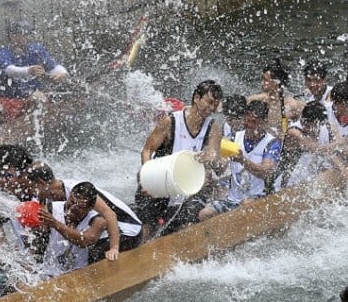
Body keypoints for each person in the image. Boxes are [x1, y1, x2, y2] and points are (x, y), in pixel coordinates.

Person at [136, 80, 224, 236]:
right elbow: (147, 150)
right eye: (209, 102)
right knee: (147, 229)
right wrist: (147, 178)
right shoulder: (170, 121)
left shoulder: (213, 127)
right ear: (197, 98)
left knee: (187, 227)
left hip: (189, 188)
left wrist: (209, 158)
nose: (211, 108)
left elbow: (214, 155)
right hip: (161, 181)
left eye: (215, 105)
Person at [38, 180, 142, 275]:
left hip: (129, 231)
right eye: (72, 202)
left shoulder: (99, 220)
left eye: (80, 207)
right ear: (69, 196)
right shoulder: (52, 208)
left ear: (90, 208)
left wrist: (114, 248)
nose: (73, 208)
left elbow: (84, 241)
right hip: (49, 269)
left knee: (97, 254)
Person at [199, 100, 280, 220]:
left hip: (259, 198)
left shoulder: (272, 143)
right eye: (247, 121)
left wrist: (242, 160)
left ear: (263, 122)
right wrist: (209, 162)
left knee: (245, 205)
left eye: (254, 122)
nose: (249, 125)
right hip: (233, 200)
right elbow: (220, 168)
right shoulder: (233, 138)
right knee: (205, 213)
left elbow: (265, 172)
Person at [0, 21, 69, 125]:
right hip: (10, 98)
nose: (26, 37)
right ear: (12, 36)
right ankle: (10, 125)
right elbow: (10, 70)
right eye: (23, 34)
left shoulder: (36, 50)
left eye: (27, 34)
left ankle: (35, 126)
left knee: (37, 97)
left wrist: (62, 73)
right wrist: (29, 70)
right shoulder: (2, 54)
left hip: (33, 96)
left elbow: (54, 66)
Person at [247, 58, 301, 139]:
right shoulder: (255, 100)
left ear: (277, 82)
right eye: (262, 79)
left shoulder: (293, 105)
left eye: (265, 80)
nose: (262, 83)